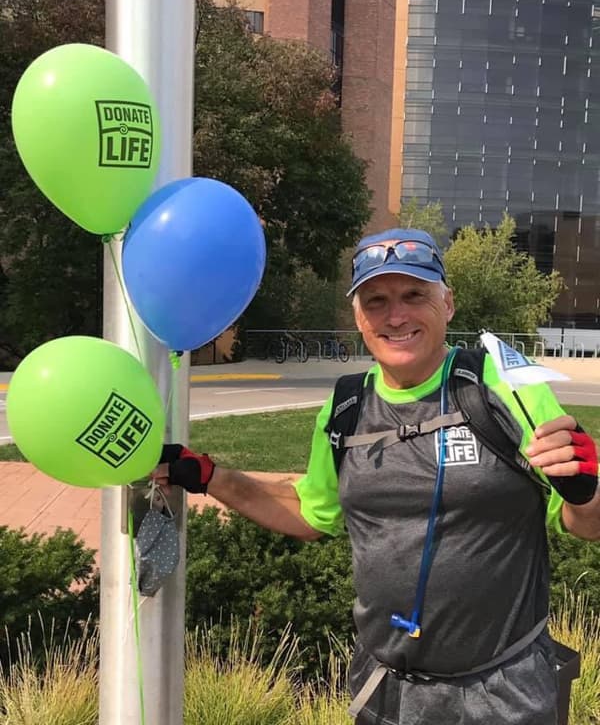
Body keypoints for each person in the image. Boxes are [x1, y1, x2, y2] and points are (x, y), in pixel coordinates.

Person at [152, 228, 600, 725]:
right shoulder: (346, 408)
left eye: (414, 295)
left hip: (503, 688)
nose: (396, 315)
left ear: (447, 304)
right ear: (359, 318)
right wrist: (212, 477)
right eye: (376, 301)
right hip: (386, 687)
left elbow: (586, 522)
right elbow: (311, 511)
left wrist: (585, 488)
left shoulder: (501, 388)